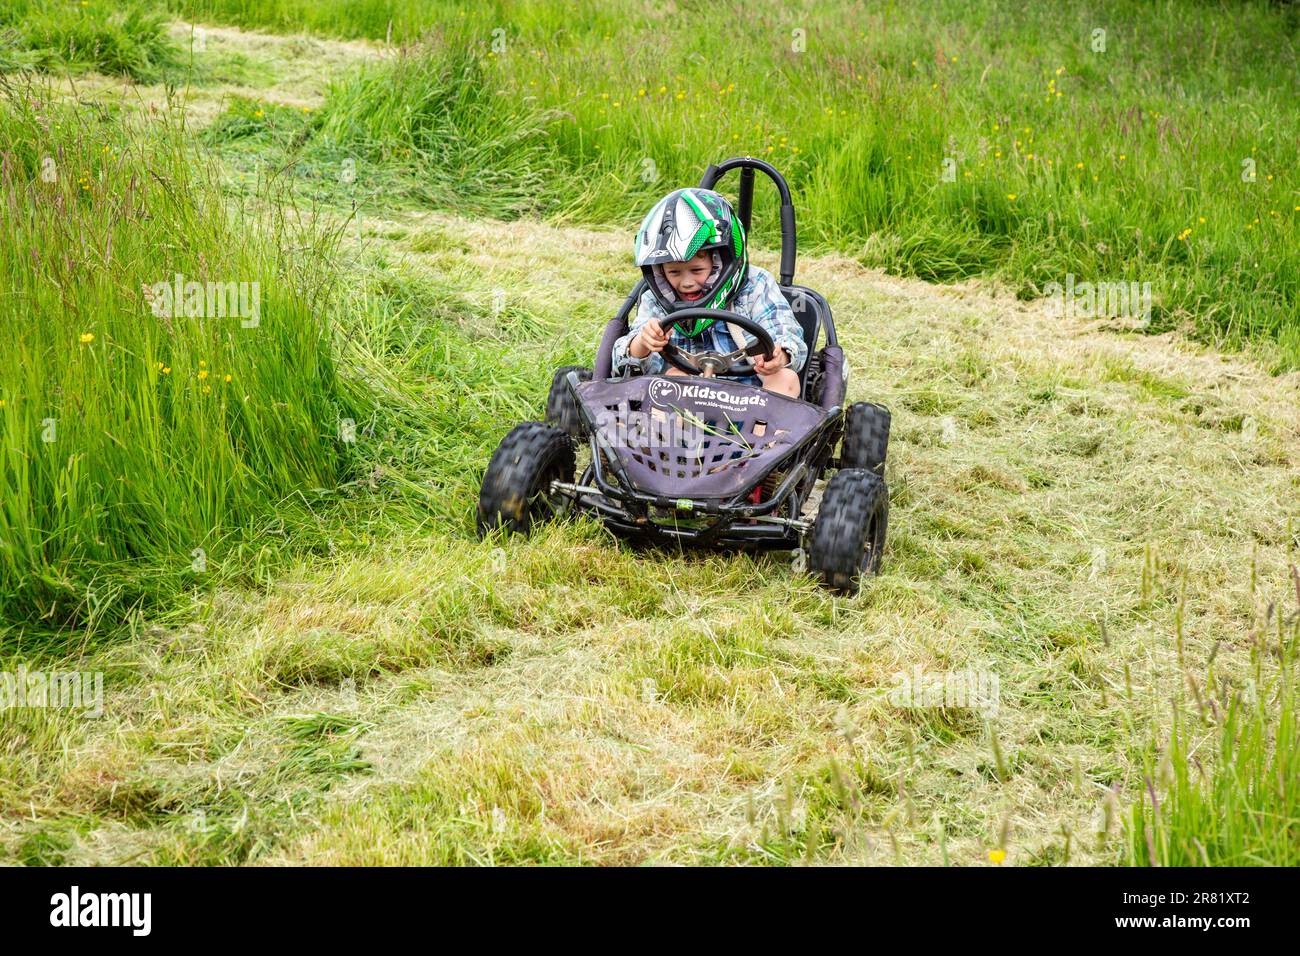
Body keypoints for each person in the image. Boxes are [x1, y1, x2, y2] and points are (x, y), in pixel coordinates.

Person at [611, 188, 806, 396]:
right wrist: (644, 342)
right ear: (659, 271)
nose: (687, 283)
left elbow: (786, 334)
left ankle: (768, 420)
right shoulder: (657, 299)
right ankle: (663, 418)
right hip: (686, 404)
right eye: (674, 272)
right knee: (674, 378)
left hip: (753, 398)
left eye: (697, 270)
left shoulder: (755, 285)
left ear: (720, 262)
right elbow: (622, 363)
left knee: (785, 377)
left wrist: (778, 356)